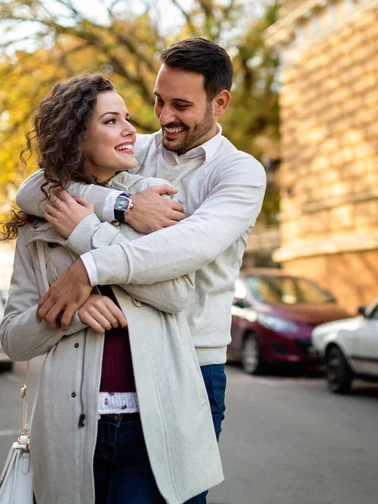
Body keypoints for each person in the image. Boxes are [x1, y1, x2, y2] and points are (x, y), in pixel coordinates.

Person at [17, 37, 267, 503]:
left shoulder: (239, 173)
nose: (163, 116)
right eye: (157, 100)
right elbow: (34, 190)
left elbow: (182, 252)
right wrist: (122, 204)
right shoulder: (138, 150)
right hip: (102, 365)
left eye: (180, 105)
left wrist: (88, 260)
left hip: (191, 363)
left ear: (221, 102)